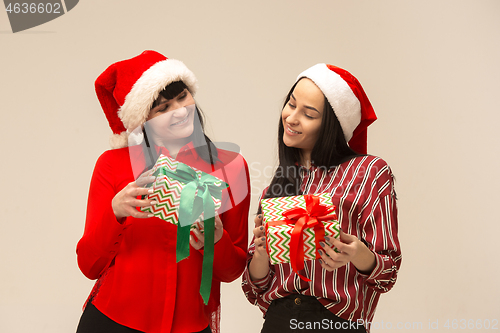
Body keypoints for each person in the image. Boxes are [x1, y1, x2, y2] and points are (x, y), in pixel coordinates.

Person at [76, 50, 250, 333]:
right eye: (162, 108)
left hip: (190, 325)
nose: (180, 111)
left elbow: (231, 272)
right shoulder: (112, 165)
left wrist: (216, 240)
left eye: (182, 97)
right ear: (143, 119)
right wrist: (115, 212)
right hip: (113, 321)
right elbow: (88, 265)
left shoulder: (231, 168)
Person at [241, 64, 401, 332]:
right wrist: (260, 254)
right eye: (291, 104)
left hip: (337, 323)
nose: (291, 118)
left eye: (309, 114)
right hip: (279, 321)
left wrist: (356, 255)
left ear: (331, 126)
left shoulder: (369, 173)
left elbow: (388, 273)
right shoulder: (277, 187)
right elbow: (255, 287)